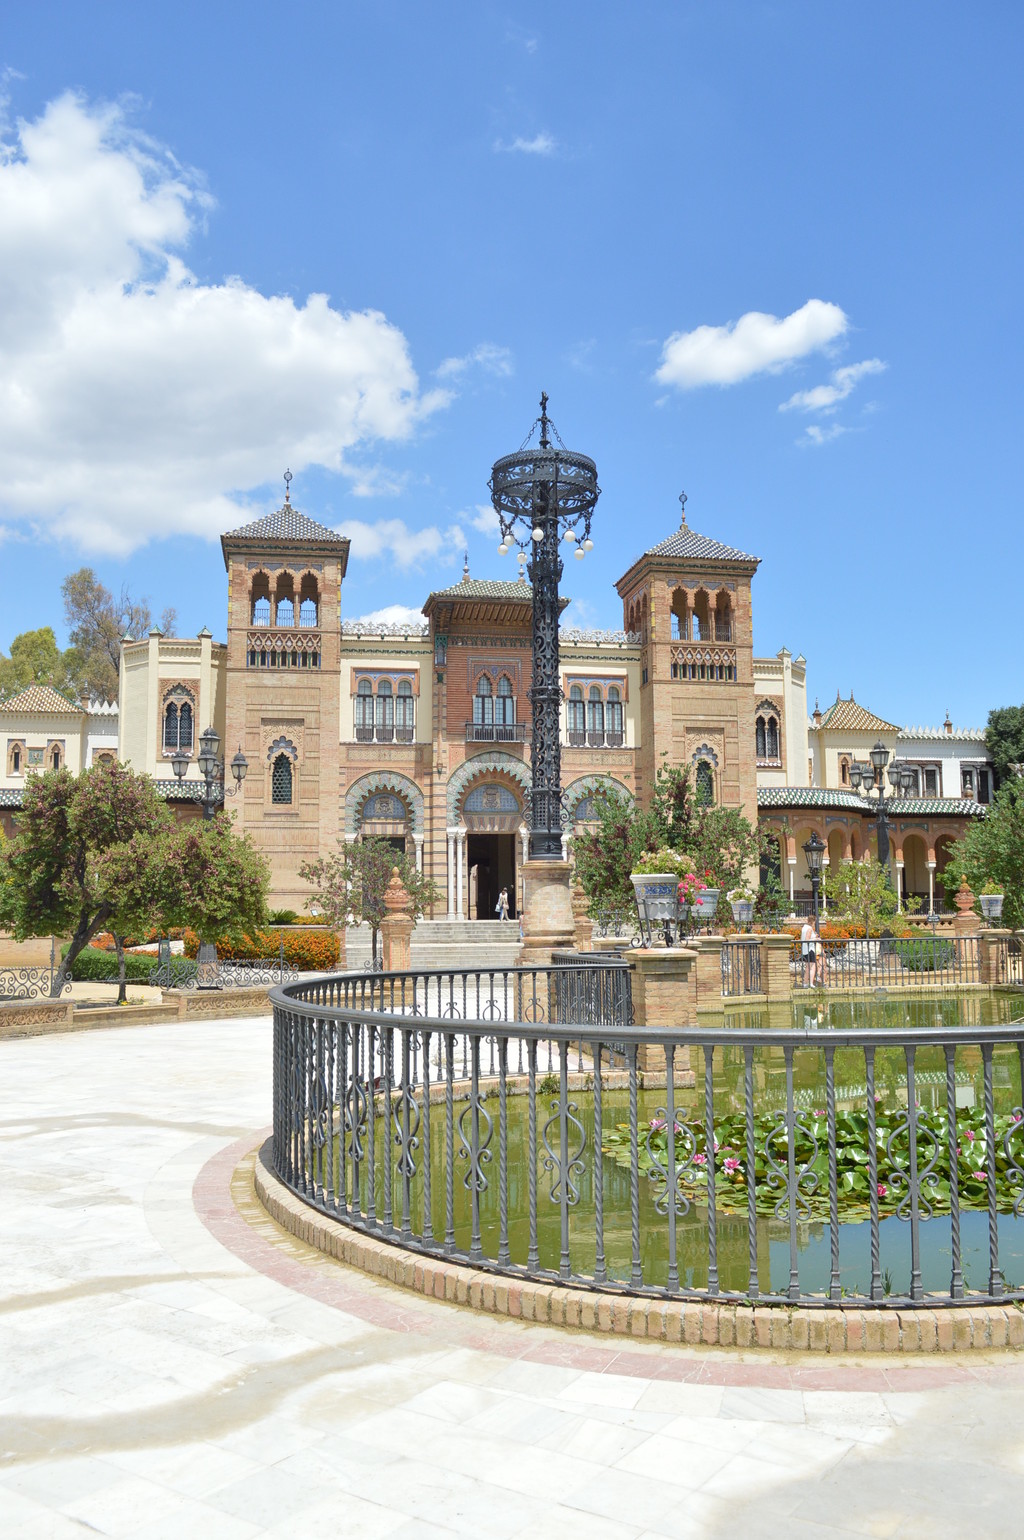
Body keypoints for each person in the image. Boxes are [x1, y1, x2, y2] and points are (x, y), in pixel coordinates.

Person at [800, 915, 820, 987]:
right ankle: (811, 983)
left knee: (808, 967)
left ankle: (805, 983)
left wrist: (814, 936)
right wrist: (816, 939)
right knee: (812, 967)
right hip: (810, 950)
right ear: (813, 921)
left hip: (805, 950)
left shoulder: (804, 928)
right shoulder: (809, 928)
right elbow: (807, 939)